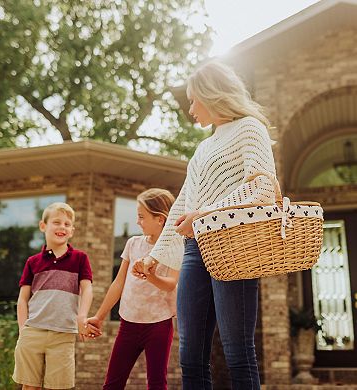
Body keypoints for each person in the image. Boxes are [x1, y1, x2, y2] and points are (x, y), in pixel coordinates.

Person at [133, 61, 277, 389]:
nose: (190, 108)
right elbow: (183, 204)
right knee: (190, 356)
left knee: (238, 352)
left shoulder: (250, 127)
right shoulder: (203, 147)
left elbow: (262, 189)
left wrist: (204, 216)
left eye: (193, 99)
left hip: (234, 245)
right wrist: (154, 256)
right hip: (195, 250)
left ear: (212, 95)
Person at [86, 188, 179, 390]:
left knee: (156, 384)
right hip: (128, 324)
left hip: (159, 325)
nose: (138, 222)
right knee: (112, 384)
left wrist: (151, 276)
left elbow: (171, 284)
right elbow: (118, 283)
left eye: (141, 217)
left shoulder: (174, 246)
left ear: (160, 219)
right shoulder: (133, 244)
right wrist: (99, 316)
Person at [12, 202, 94, 390]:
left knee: (58, 387)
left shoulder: (80, 259)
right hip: (33, 332)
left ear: (72, 230)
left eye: (67, 224)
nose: (62, 227)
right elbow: (23, 298)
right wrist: (23, 329)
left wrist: (82, 316)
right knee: (30, 386)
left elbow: (87, 289)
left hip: (63, 334)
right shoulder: (33, 262)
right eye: (56, 222)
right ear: (43, 226)